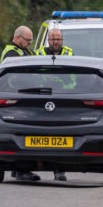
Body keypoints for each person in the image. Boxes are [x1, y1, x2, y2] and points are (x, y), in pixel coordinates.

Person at [0, 26, 41, 181]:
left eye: (31, 41)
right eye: (27, 40)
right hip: (17, 97)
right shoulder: (11, 53)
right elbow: (20, 75)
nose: (30, 44)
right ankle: (21, 170)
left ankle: (21, 169)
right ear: (17, 38)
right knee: (23, 133)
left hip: (26, 96)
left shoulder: (26, 51)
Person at [36, 27, 72, 181]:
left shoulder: (69, 53)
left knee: (60, 136)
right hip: (41, 98)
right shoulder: (38, 54)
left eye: (58, 39)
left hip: (63, 98)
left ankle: (59, 170)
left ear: (62, 40)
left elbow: (74, 78)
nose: (55, 42)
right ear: (48, 40)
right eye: (53, 39)